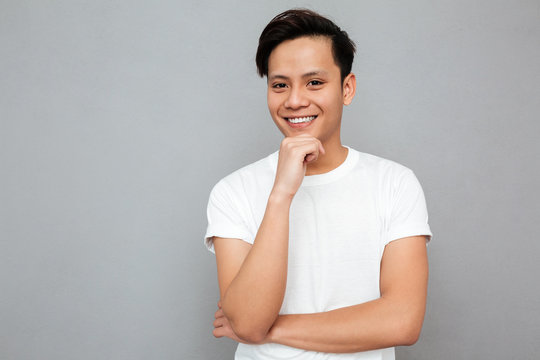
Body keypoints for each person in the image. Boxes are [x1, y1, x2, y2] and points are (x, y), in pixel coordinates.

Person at [204, 8, 433, 360]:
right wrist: (281, 194)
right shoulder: (233, 191)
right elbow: (249, 320)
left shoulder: (395, 184)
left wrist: (272, 329)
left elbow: (402, 322)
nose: (295, 100)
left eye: (314, 82)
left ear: (347, 88)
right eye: (280, 85)